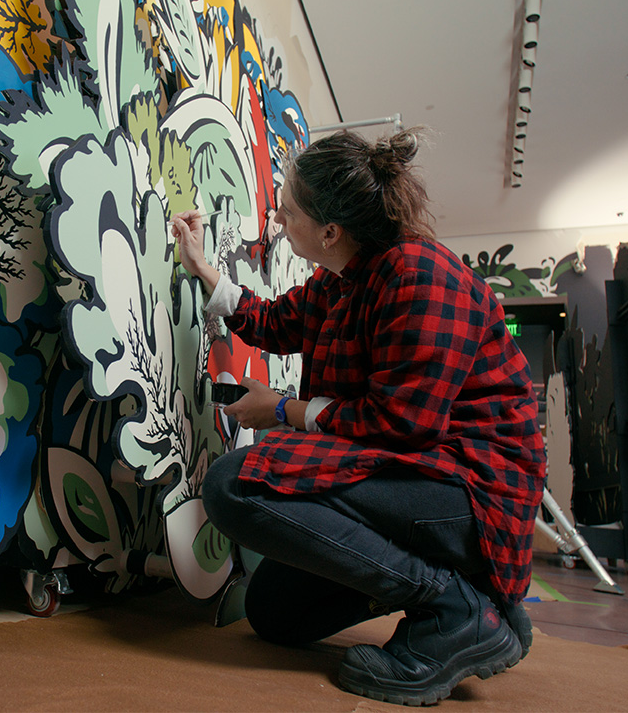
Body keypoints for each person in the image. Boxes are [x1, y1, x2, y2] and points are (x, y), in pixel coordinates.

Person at [171, 128, 546, 706]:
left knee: (234, 486)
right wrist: (201, 267)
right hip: (418, 481)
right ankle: (476, 606)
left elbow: (402, 426)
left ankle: (453, 608)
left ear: (330, 230)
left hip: (470, 494)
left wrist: (283, 411)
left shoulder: (421, 275)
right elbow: (274, 322)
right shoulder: (343, 277)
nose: (278, 223)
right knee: (275, 614)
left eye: (288, 212)